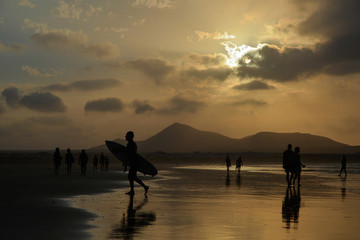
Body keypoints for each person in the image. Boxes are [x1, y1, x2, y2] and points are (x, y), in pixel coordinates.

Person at [125, 131, 149, 196]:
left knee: (131, 176)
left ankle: (144, 187)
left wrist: (126, 162)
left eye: (126, 135)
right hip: (134, 162)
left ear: (130, 137)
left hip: (134, 163)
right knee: (132, 177)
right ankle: (138, 189)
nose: (125, 136)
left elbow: (131, 154)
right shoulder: (131, 144)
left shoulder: (131, 144)